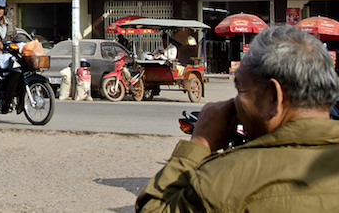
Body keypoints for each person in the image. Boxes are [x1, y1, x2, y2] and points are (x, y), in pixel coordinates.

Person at [136, 25, 339, 211]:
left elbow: (152, 208)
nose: (235, 103)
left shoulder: (226, 179)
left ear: (273, 96)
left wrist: (199, 144)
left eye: (241, 90)